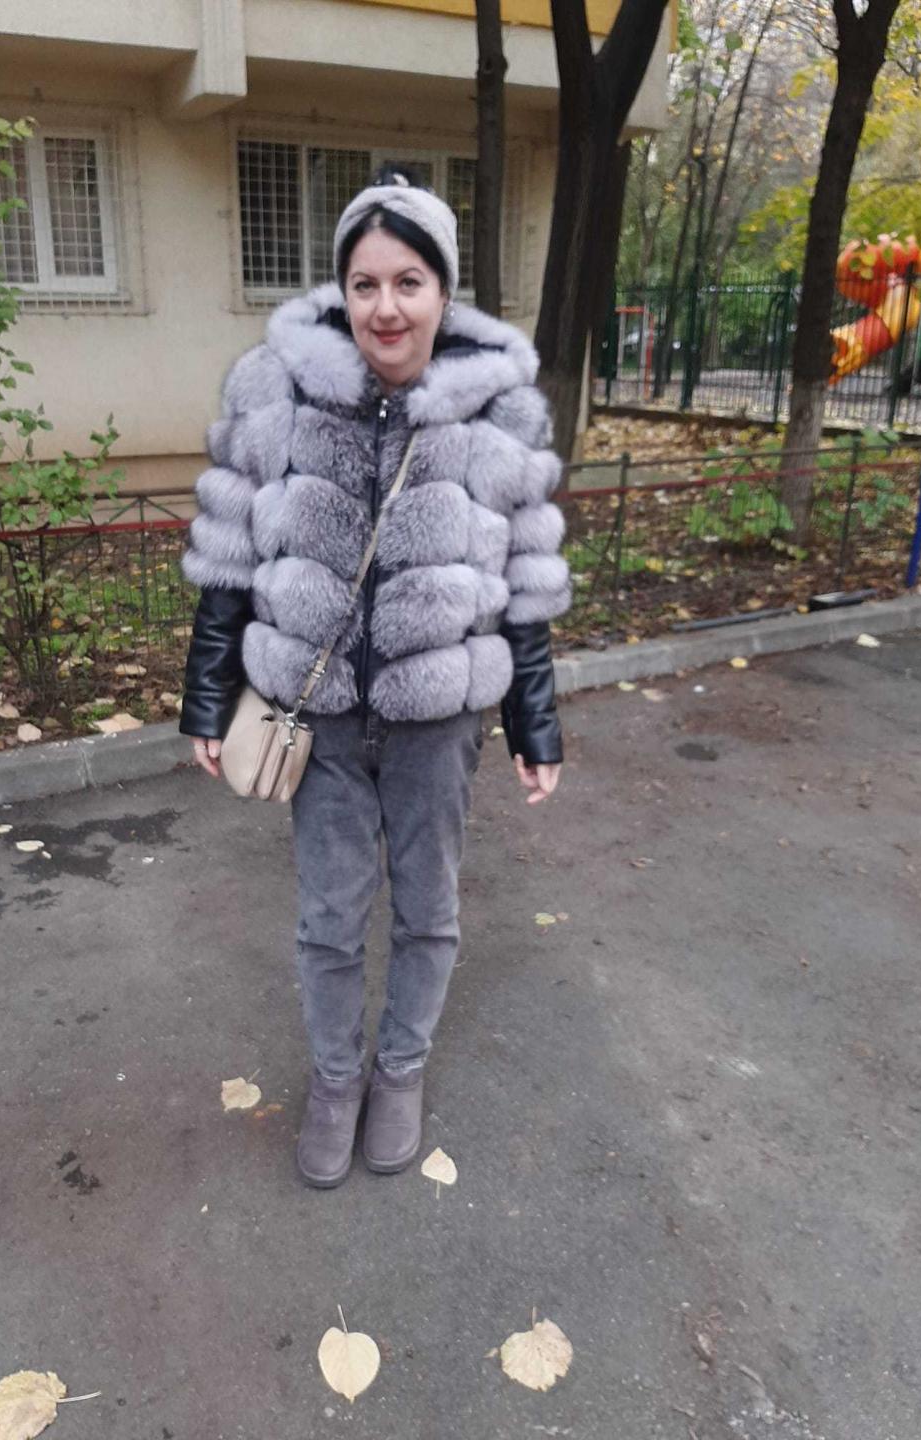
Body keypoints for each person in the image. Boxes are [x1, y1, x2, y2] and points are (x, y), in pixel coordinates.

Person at [180, 168, 570, 1189]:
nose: (385, 307)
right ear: (341, 289)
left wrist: (534, 723)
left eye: (408, 282)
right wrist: (207, 698)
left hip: (439, 719)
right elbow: (227, 558)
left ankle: (400, 1069)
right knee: (329, 919)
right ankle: (335, 1079)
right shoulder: (274, 393)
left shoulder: (500, 410)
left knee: (429, 910)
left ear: (443, 290)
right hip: (317, 722)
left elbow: (526, 578)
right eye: (365, 283)